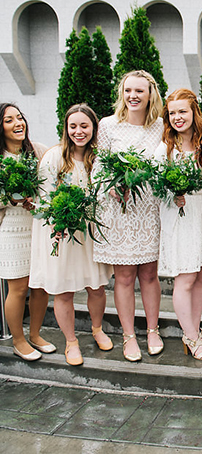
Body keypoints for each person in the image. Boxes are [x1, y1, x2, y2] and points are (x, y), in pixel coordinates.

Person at [29, 104, 113, 366]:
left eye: (84, 126)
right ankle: (71, 341)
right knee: (64, 292)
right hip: (62, 233)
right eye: (73, 126)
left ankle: (97, 329)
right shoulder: (55, 157)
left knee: (96, 287)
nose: (79, 131)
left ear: (93, 128)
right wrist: (61, 218)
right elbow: (43, 198)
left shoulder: (99, 158)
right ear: (65, 128)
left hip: (89, 233)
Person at [93, 70, 165, 362]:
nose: (133, 96)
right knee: (123, 277)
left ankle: (152, 330)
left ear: (151, 95)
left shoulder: (161, 126)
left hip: (150, 208)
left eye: (140, 91)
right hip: (120, 210)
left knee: (149, 274)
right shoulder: (109, 125)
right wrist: (111, 188)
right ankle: (129, 336)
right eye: (128, 91)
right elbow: (99, 166)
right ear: (122, 94)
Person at [154, 89, 202, 360]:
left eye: (183, 111)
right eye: (173, 112)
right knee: (186, 278)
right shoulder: (165, 149)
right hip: (180, 219)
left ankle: (194, 332)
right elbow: (156, 188)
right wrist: (173, 194)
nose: (178, 117)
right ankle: (190, 336)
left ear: (194, 112)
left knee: (201, 276)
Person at [0, 103, 50, 361]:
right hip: (12, 229)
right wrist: (10, 198)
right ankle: (18, 340)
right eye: (9, 120)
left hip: (38, 226)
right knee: (18, 288)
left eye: (19, 117)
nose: (18, 123)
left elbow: (51, 183)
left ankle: (35, 334)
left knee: (41, 286)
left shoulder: (37, 151)